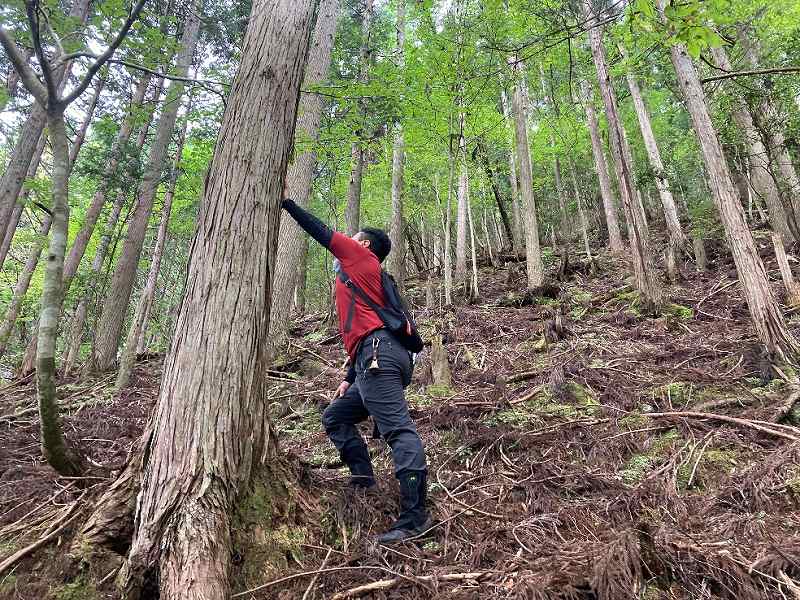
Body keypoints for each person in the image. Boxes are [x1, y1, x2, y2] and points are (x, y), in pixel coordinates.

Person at [280, 199, 431, 544]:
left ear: (363, 244)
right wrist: (350, 379)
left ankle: (414, 518)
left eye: (352, 237)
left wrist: (287, 203)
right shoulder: (367, 274)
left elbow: (321, 232)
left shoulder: (360, 258)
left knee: (398, 430)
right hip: (374, 358)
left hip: (378, 356)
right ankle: (363, 478)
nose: (345, 240)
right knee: (336, 416)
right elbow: (369, 323)